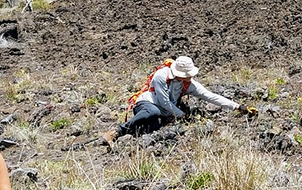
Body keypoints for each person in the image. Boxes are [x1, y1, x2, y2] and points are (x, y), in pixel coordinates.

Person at [104, 56, 245, 144]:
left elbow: (210, 96)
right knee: (152, 111)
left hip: (163, 113)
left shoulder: (188, 84)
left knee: (155, 125)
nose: (190, 77)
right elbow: (164, 102)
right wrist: (182, 115)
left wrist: (237, 106)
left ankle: (128, 134)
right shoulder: (161, 76)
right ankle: (118, 131)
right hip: (147, 104)